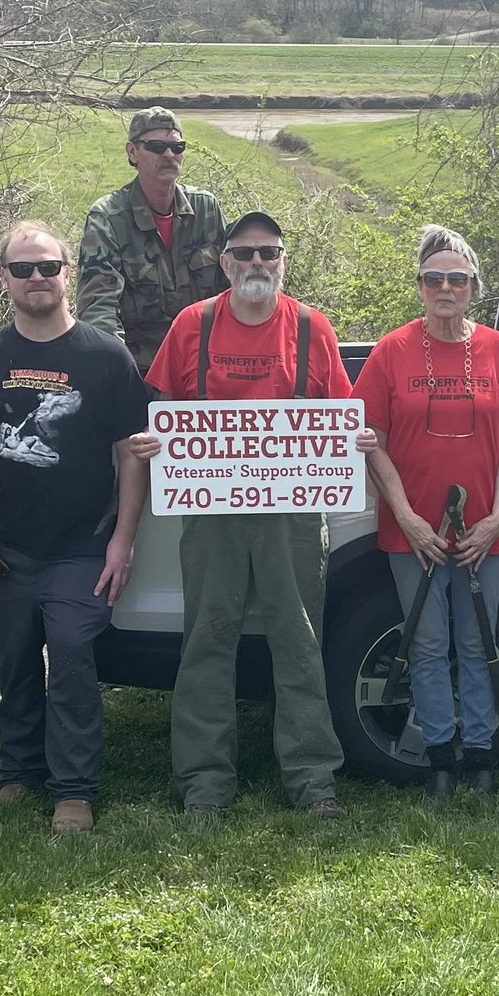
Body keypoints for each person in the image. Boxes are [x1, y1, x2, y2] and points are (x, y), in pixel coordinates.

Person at [139, 209, 353, 818]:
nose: (258, 262)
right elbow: (165, 412)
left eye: (270, 252)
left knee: (299, 641)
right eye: (246, 252)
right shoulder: (192, 325)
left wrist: (352, 440)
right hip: (213, 515)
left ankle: (314, 782)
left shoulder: (314, 327)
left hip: (293, 514)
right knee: (207, 640)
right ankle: (204, 783)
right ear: (225, 262)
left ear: (284, 262)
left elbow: (338, 415)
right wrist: (155, 442)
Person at [0, 222, 154, 834]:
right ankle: (19, 775)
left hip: (82, 548)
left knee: (69, 660)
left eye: (48, 267)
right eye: (23, 269)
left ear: (67, 272)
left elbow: (130, 456)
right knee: (13, 665)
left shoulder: (105, 356)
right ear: (5, 278)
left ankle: (74, 790)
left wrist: (123, 539)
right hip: (2, 547)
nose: (37, 278)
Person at [357, 226, 499, 805]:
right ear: (419, 286)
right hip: (411, 532)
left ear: (473, 289)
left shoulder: (498, 350)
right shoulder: (391, 351)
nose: (445, 287)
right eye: (434, 278)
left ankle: (481, 757)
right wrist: (407, 517)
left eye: (456, 279)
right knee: (429, 644)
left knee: (478, 641)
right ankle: (440, 758)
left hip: (482, 531)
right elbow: (372, 442)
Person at [76, 106, 227, 370]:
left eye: (177, 147)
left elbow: (231, 290)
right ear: (132, 152)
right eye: (157, 147)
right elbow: (99, 310)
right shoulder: (108, 217)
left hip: (206, 363)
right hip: (139, 367)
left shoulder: (205, 209)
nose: (169, 155)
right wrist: (115, 369)